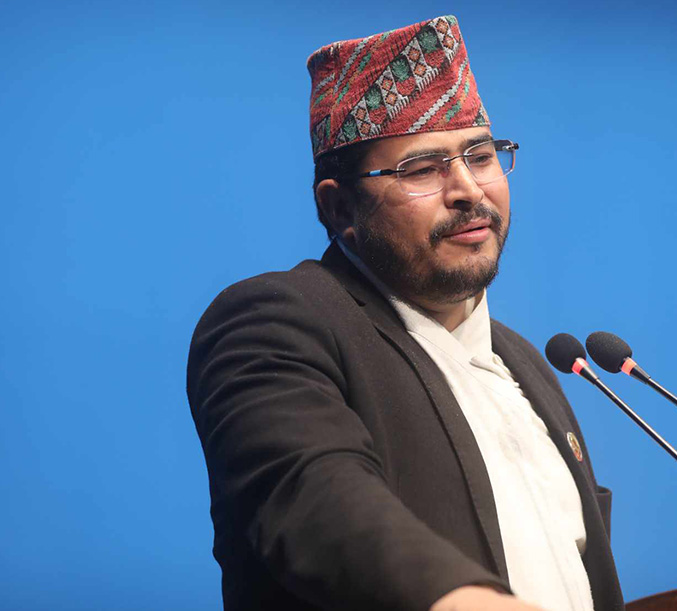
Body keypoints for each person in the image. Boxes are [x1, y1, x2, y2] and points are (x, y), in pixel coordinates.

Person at [187, 15, 623, 611]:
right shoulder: (277, 323)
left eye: (481, 155)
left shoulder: (527, 366)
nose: (469, 189)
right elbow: (314, 496)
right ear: (340, 208)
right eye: (422, 169)